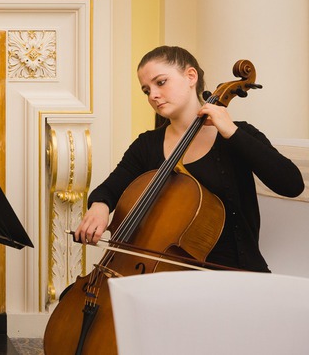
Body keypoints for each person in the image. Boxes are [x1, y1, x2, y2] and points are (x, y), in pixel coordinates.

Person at [74, 45, 305, 271]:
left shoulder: (237, 135)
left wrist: (231, 132)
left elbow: (291, 184)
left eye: (161, 82)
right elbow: (110, 189)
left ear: (190, 76)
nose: (153, 95)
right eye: (146, 90)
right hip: (163, 276)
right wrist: (100, 207)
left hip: (236, 275)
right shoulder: (147, 145)